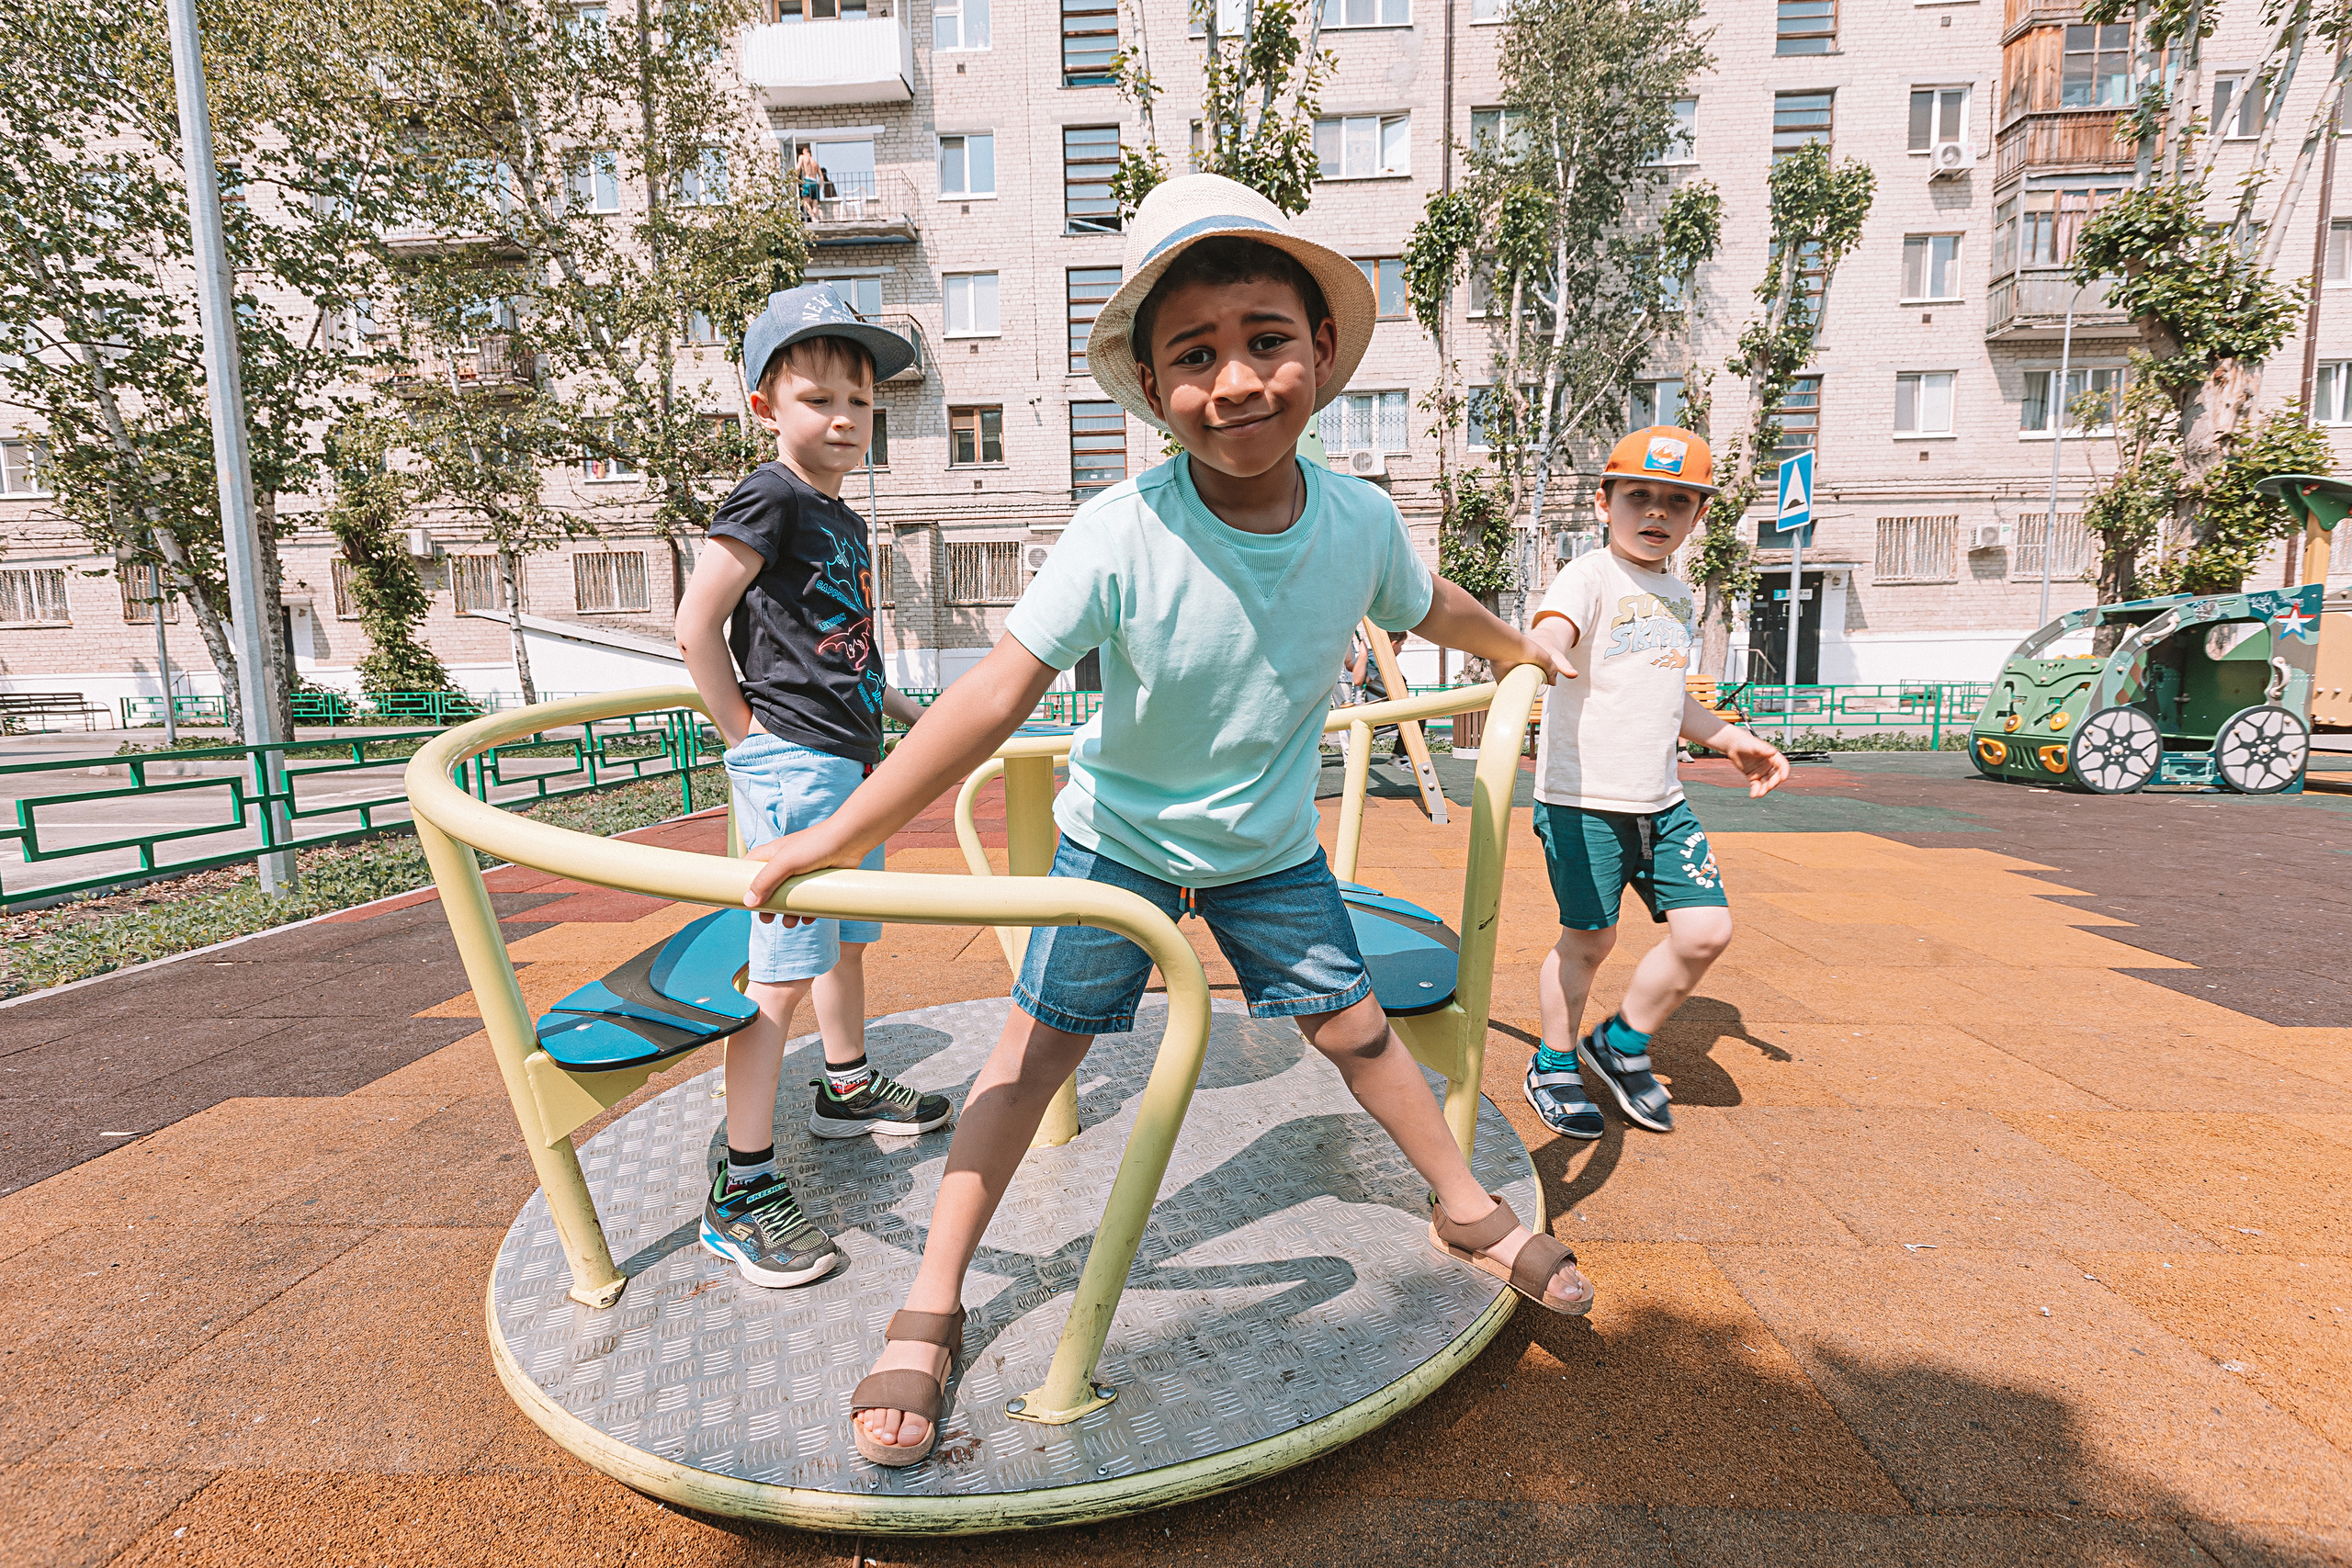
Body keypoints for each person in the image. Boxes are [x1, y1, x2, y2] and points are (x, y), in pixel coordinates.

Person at [740, 174, 1597, 1468]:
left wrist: (1524, 640)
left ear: (1318, 352)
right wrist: (829, 835)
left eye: (1266, 339)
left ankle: (1467, 1206)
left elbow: (1439, 610)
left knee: (1358, 1029)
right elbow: (990, 692)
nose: (1239, 379)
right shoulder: (1120, 530)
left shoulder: (1361, 519)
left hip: (1266, 851)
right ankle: (937, 1292)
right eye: (1196, 356)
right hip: (1119, 846)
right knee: (1030, 1061)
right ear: (1152, 388)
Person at [673, 285, 952, 1291]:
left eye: (860, 404)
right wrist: (750, 742)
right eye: (818, 399)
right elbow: (696, 625)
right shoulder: (769, 496)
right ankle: (740, 1187)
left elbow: (840, 648)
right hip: (792, 763)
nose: (843, 420)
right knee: (781, 974)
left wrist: (908, 717)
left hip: (844, 758)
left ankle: (843, 1086)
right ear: (766, 407)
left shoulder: (835, 515)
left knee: (842, 941)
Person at [1519, 426, 1790, 1144]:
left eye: (1677, 501)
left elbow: (1672, 696)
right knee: (1589, 940)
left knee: (1707, 930)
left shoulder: (1678, 593)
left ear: (1698, 517)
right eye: (1639, 495)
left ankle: (1621, 1043)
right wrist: (1542, 652)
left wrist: (1730, 738)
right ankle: (1553, 1063)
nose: (1656, 513)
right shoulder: (1589, 576)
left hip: (1660, 801)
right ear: (1605, 501)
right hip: (1583, 801)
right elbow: (1553, 629)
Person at [1345, 626, 1409, 755]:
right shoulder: (1378, 658)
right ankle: (1400, 757)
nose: (1401, 649)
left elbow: (1350, 664)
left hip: (1374, 706)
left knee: (1360, 750)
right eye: (1401, 645)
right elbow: (1358, 680)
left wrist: (1346, 638)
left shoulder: (1372, 654)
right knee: (1417, 717)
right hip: (1376, 710)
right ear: (1393, 644)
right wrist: (1362, 654)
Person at [794, 143, 823, 222]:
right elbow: (821, 177)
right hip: (815, 182)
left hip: (807, 181)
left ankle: (813, 217)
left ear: (805, 152)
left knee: (805, 202)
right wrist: (819, 187)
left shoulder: (802, 157)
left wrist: (796, 177)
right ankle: (815, 218)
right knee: (815, 203)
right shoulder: (815, 163)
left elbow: (798, 167)